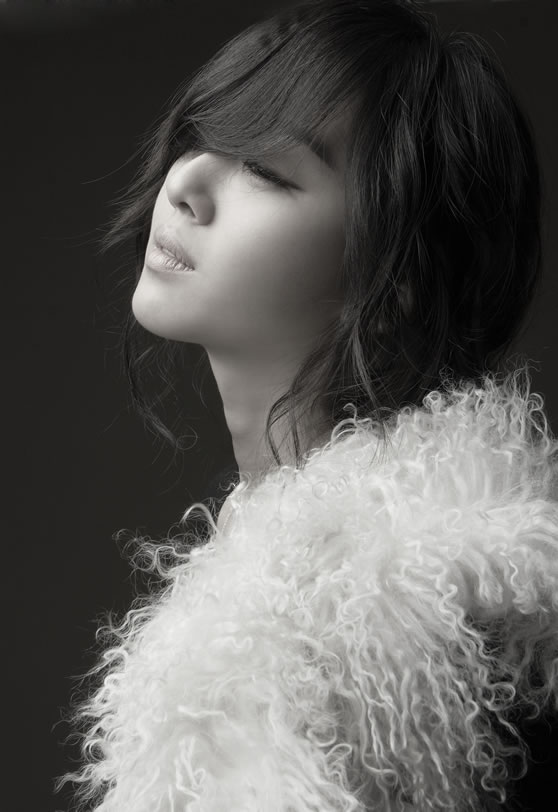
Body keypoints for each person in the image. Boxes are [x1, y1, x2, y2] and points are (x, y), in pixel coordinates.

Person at [58, 1, 558, 810]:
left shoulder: (438, 631)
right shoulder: (257, 599)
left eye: (267, 171)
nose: (185, 183)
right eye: (202, 135)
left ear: (395, 280)